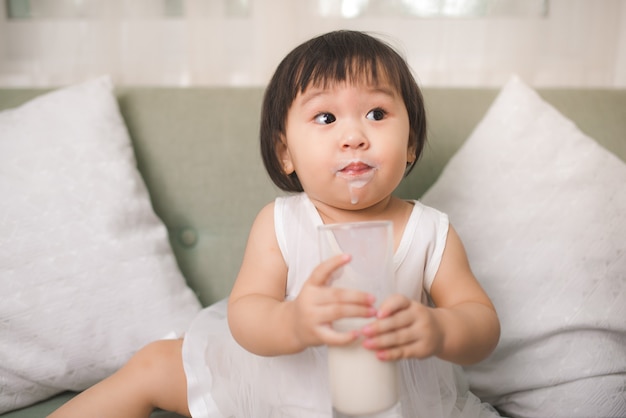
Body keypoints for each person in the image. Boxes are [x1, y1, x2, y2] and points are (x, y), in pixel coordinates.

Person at [49, 30, 501, 418]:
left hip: (396, 402)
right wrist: (293, 320)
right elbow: (247, 313)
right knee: (153, 364)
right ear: (285, 153)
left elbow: (481, 322)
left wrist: (439, 329)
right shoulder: (281, 222)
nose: (354, 135)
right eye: (326, 117)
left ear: (411, 144)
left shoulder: (429, 231)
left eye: (377, 114)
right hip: (280, 393)